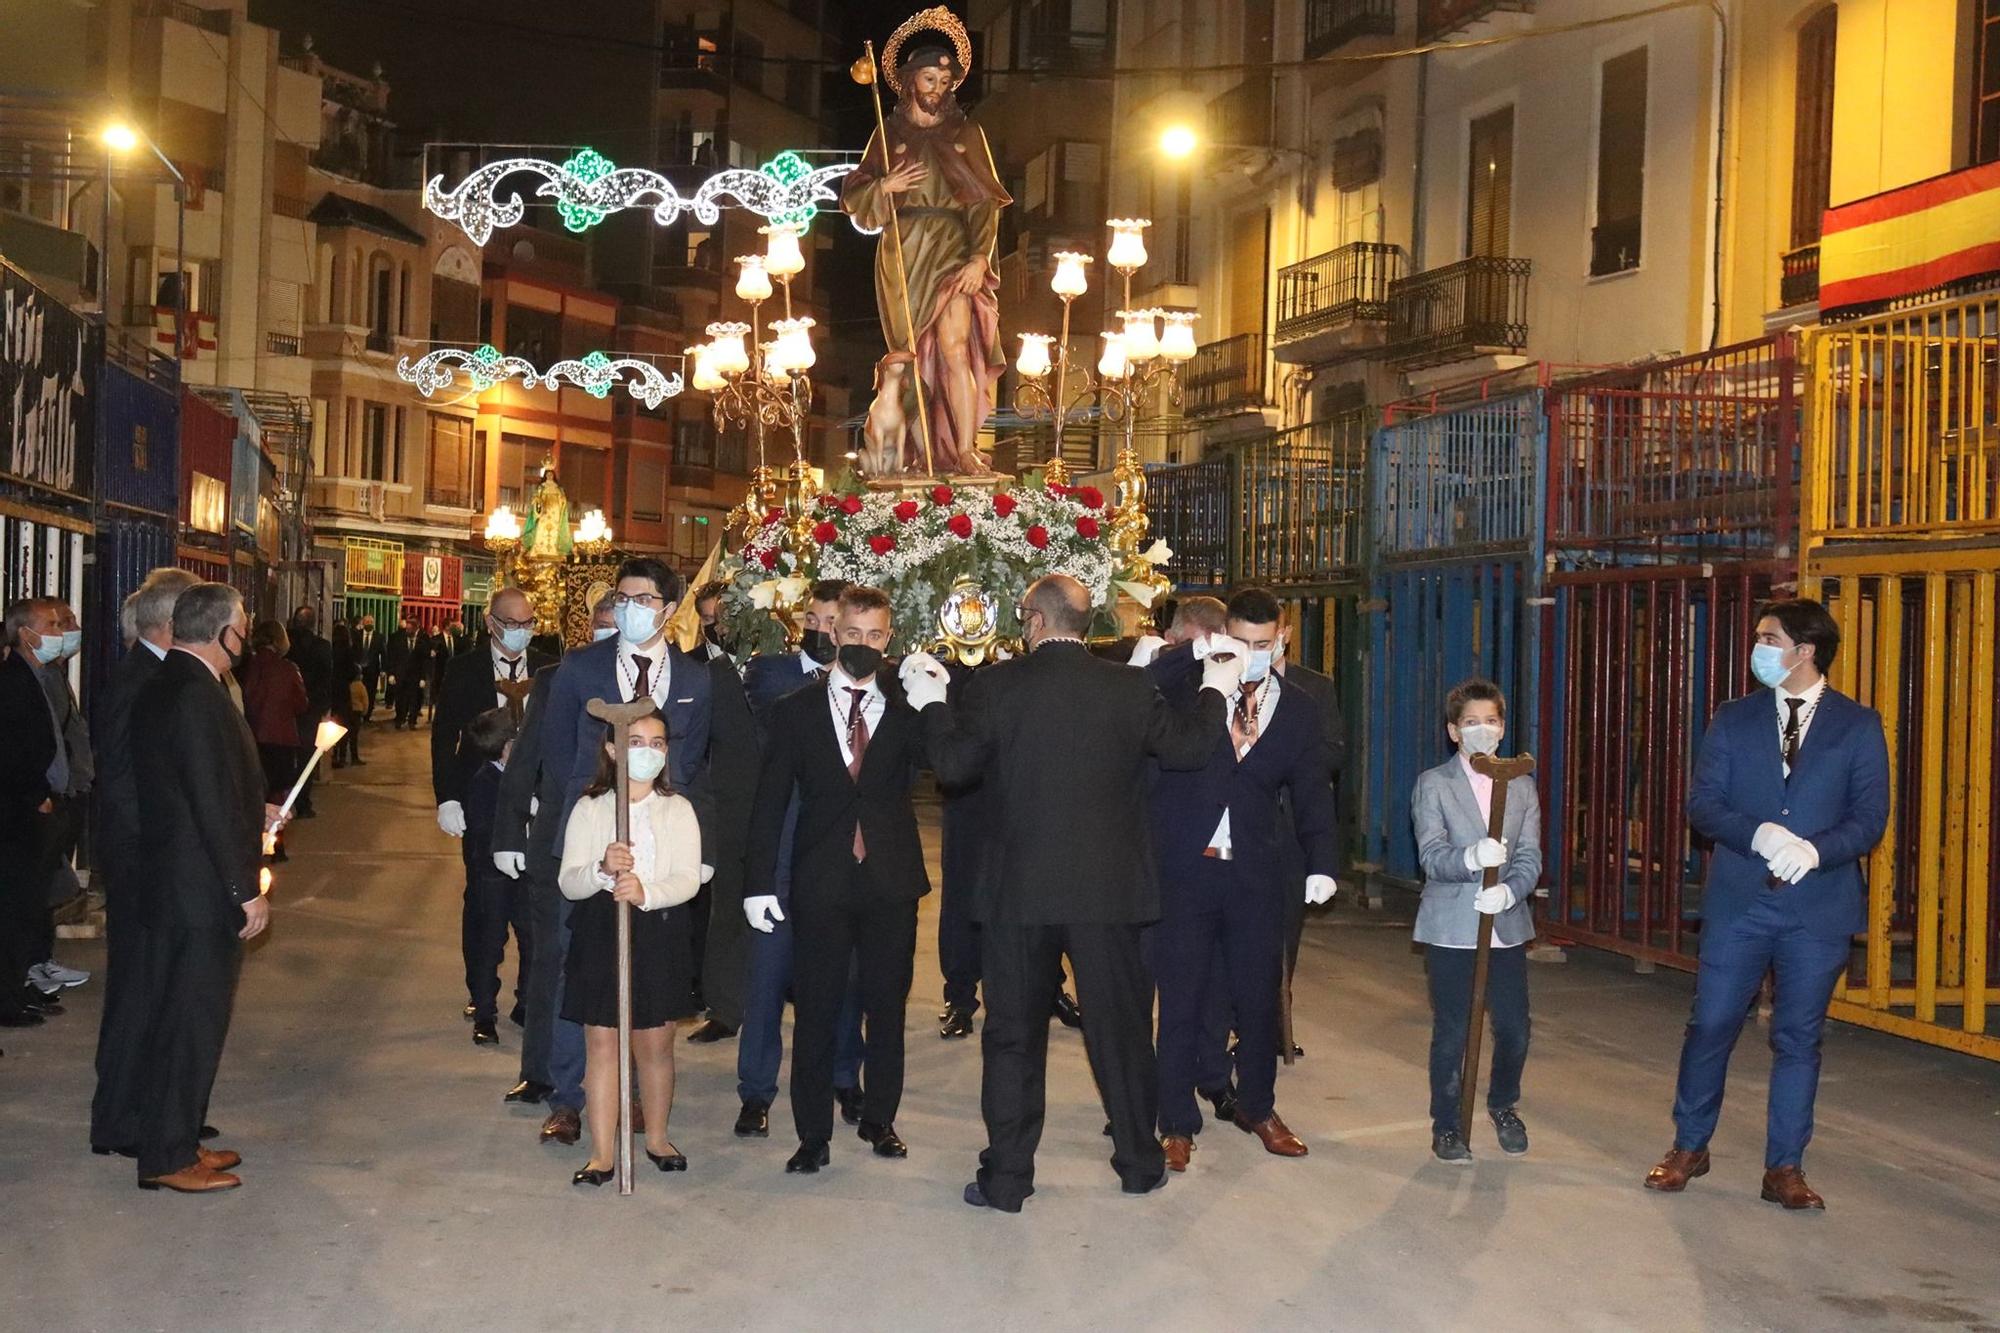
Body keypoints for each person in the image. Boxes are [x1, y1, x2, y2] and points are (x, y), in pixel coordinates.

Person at [903, 573, 1239, 1211]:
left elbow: (953, 766)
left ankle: (1007, 1179)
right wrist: (1215, 691)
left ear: (1032, 620)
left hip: (1018, 894)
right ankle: (1140, 1162)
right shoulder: (1127, 688)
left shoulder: (1000, 686)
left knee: (1012, 1038)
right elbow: (1190, 750)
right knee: (1121, 1033)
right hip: (1107, 895)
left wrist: (933, 704)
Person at [1646, 598, 1889, 1210]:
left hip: (1817, 909)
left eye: (1768, 637)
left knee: (1798, 1038)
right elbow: (1704, 805)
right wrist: (1758, 833)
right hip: (1741, 903)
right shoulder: (1733, 718)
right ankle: (1689, 1146)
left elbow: (1870, 819)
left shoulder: (1858, 726)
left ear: (1804, 650)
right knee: (1711, 1024)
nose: (1758, 648)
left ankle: (1784, 1167)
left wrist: (1815, 850)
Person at [1144, 588, 1337, 1171]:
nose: (1252, 654)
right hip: (1185, 868)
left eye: (1262, 644)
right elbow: (1144, 679)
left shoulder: (1300, 707)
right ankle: (1176, 1121)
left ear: (1280, 639)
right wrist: (1202, 651)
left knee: (1258, 1000)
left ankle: (1259, 1106)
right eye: (1241, 641)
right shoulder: (1188, 691)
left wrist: (1324, 861)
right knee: (1181, 998)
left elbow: (1312, 792)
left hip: (1256, 872)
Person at [746, 585, 930, 1173]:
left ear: (889, 640)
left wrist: (938, 701)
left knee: (887, 1009)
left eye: (876, 636)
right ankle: (812, 1136)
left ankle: (881, 1119)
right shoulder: (794, 710)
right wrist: (757, 884)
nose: (863, 646)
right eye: (853, 634)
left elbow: (952, 764)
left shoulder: (906, 713)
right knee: (818, 1010)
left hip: (890, 883)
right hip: (820, 881)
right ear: (833, 634)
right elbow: (769, 804)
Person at [539, 559, 713, 1136]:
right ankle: (569, 1098)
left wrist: (687, 845)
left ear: (668, 607)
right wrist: (578, 821)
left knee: (649, 977)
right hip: (594, 837)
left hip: (660, 840)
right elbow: (560, 751)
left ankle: (636, 1099)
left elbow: (692, 763)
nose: (630, 608)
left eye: (644, 599)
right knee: (581, 968)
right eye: (624, 597)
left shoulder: (694, 678)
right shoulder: (582, 666)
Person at [128, 583, 273, 1192]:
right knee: (189, 1021)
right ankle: (166, 1156)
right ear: (222, 633)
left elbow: (208, 783)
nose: (247, 634)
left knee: (193, 1019)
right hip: (196, 891)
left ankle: (179, 1138)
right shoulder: (192, 694)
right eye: (243, 624)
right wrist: (246, 887)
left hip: (185, 883)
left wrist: (257, 809)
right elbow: (207, 801)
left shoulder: (183, 686)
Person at [840, 27, 1011, 475]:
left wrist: (979, 258)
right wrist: (884, 185)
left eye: (945, 79)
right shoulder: (888, 131)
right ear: (910, 80)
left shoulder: (965, 131)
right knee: (910, 355)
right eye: (929, 78)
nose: (938, 87)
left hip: (952, 244)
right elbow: (857, 200)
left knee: (955, 348)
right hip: (902, 250)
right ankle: (920, 455)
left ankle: (965, 449)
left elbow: (985, 200)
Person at [735, 580, 866, 1137]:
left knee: (846, 980)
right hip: (785, 854)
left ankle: (844, 1077)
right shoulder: (773, 676)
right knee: (766, 982)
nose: (817, 630)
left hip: (842, 861)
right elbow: (775, 722)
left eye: (829, 622)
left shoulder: (873, 688)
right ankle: (756, 1092)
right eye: (810, 619)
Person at [557, 711, 702, 1185]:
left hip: (657, 928)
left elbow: (687, 878)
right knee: (602, 1042)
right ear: (613, 750)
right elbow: (569, 881)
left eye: (657, 743)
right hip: (603, 928)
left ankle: (656, 1137)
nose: (648, 752)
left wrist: (647, 892)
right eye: (635, 741)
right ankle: (602, 1153)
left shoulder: (678, 809)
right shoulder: (592, 808)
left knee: (654, 1042)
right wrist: (602, 869)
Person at [492, 591, 617, 1130]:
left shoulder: (648, 684)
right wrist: (507, 833)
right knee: (550, 962)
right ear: (589, 629)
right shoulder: (556, 679)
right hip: (557, 843)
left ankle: (615, 1083)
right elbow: (526, 761)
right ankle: (541, 1072)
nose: (612, 635)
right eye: (604, 626)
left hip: (623, 851)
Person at [1410, 678, 1543, 1164]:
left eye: (1490, 721)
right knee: (1453, 1030)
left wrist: (1511, 889)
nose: (1481, 730)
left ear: (1503, 727)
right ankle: (1446, 1124)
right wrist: (1470, 858)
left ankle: (1503, 1103)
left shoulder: (1522, 786)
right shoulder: (1434, 784)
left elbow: (1529, 853)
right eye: (1470, 723)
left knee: (1514, 1027)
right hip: (1451, 925)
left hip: (1504, 923)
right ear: (1453, 731)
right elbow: (1430, 854)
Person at [91, 569, 200, 1150]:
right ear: (169, 623)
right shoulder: (140, 681)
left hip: (152, 860)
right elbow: (129, 787)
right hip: (142, 864)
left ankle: (157, 1109)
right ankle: (122, 1119)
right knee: (136, 991)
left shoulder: (158, 675)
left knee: (158, 991)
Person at [434, 588, 556, 1041]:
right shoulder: (464, 669)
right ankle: (482, 1000)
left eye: (528, 624)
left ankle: (528, 1000)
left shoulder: (547, 666)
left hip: (535, 807)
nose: (521, 632)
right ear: (490, 623)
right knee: (486, 907)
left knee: (531, 909)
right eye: (512, 624)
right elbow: (444, 734)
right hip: (482, 802)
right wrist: (447, 796)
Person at [0, 597, 68, 1029]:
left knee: (28, 906)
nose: (60, 632)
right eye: (51, 624)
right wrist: (36, 792)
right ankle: (6, 996)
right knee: (13, 907)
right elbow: (13, 751)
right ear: (26, 634)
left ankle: (19, 985)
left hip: (31, 807)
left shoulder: (37, 676)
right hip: (17, 813)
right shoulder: (12, 682)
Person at [29, 601, 92, 999]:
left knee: (50, 882)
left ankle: (41, 959)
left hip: (66, 789)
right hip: (48, 796)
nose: (68, 629)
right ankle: (33, 965)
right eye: (58, 623)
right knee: (40, 884)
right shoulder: (34, 677)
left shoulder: (52, 672)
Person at [460, 706, 525, 1047]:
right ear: (505, 747)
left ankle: (526, 1003)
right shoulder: (485, 781)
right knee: (490, 945)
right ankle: (485, 1012)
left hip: (526, 875)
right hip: (493, 876)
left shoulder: (528, 773)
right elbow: (482, 834)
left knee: (531, 940)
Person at [238, 620, 308, 860]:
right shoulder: (288, 668)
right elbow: (301, 703)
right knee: (279, 794)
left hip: (253, 738)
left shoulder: (247, 666)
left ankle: (255, 843)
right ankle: (276, 844)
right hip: (282, 738)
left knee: (256, 792)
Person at [285, 605, 334, 816]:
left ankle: (283, 800)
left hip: (285, 709)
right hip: (311, 709)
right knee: (306, 757)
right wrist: (324, 707)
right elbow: (327, 677)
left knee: (285, 756)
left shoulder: (285, 645)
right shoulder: (322, 647)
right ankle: (302, 802)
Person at [385, 616, 419, 728]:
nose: (408, 631)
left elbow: (423, 660)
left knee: (413, 699)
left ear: (415, 629)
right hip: (400, 675)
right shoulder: (398, 641)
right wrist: (391, 674)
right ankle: (400, 719)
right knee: (400, 699)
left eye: (410, 629)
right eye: (407, 629)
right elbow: (392, 657)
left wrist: (423, 677)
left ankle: (412, 721)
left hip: (414, 676)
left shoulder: (421, 641)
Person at [351, 614, 383, 718]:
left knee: (371, 691)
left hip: (372, 669)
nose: (369, 624)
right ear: (363, 623)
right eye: (367, 622)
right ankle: (358, 712)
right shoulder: (356, 635)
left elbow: (383, 653)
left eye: (371, 622)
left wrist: (384, 669)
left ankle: (367, 714)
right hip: (358, 669)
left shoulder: (379, 637)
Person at [692, 580, 729, 661]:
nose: (717, 627)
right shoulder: (688, 662)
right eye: (709, 619)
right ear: (700, 621)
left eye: (722, 617)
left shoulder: (754, 660)